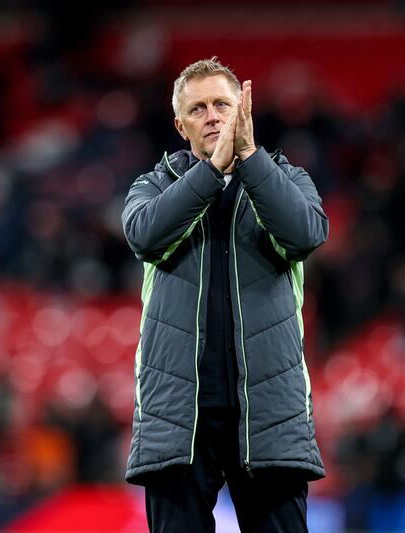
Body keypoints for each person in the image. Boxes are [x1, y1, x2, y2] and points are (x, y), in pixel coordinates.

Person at [121, 57, 328, 532]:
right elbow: (145, 236)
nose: (212, 116)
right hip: (178, 416)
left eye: (222, 104)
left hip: (267, 411)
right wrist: (212, 171)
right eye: (198, 109)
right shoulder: (153, 186)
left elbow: (304, 234)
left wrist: (249, 160)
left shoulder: (286, 178)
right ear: (179, 125)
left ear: (244, 112)